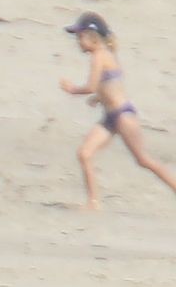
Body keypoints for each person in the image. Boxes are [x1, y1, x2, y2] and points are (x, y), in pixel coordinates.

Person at [60, 11, 176, 210]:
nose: (78, 41)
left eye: (80, 36)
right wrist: (99, 98)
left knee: (143, 159)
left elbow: (92, 85)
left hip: (123, 115)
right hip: (110, 117)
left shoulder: (99, 56)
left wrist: (73, 89)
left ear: (92, 36)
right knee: (85, 153)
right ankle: (93, 203)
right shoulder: (106, 54)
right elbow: (111, 84)